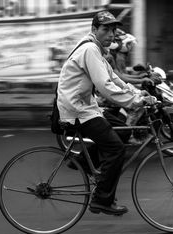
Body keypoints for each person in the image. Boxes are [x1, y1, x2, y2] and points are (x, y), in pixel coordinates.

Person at [57, 11, 157, 216]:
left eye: (113, 29)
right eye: (106, 29)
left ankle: (84, 161)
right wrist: (135, 101)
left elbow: (116, 80)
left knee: (122, 131)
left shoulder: (98, 51)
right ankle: (102, 200)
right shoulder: (90, 49)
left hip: (86, 107)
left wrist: (138, 92)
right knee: (116, 149)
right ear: (94, 30)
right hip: (77, 110)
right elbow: (105, 86)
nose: (111, 34)